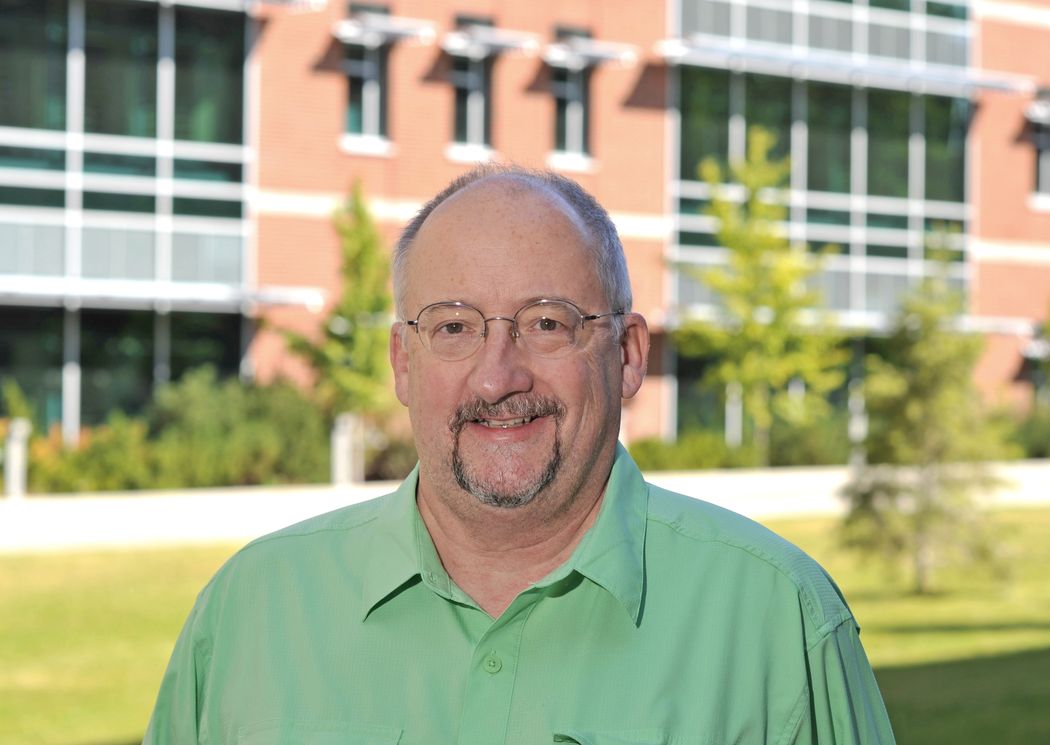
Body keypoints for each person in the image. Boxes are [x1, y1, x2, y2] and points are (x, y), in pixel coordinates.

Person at [144, 166, 896, 744]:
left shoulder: (780, 620)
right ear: (402, 362)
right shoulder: (250, 612)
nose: (499, 376)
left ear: (628, 354)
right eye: (453, 327)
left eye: (546, 322)